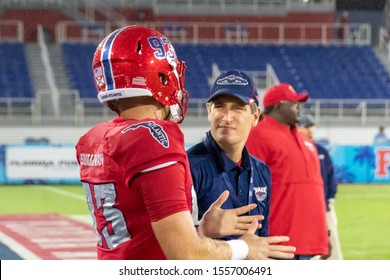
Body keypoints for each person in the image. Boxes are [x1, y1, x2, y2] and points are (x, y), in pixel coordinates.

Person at [75, 25, 296, 260]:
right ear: (159, 76)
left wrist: (203, 230)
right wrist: (245, 248)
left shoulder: (94, 138)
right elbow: (186, 254)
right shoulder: (151, 138)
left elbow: (145, 230)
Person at [246, 83, 329, 260]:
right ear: (277, 106)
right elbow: (248, 188)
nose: (299, 108)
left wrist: (322, 234)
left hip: (306, 240)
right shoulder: (257, 135)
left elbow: (314, 191)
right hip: (276, 241)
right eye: (293, 103)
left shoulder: (306, 141)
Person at [187, 70, 271, 240]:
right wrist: (202, 232)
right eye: (219, 106)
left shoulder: (262, 171)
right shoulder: (187, 167)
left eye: (237, 108)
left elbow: (261, 237)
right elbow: (171, 246)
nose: (227, 117)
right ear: (209, 111)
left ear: (255, 116)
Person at [298, 114, 343, 260]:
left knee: (332, 241)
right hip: (302, 207)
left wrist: (329, 199)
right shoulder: (294, 149)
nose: (310, 130)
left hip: (324, 205)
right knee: (305, 244)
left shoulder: (321, 151)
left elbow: (330, 177)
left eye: (311, 126)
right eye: (306, 126)